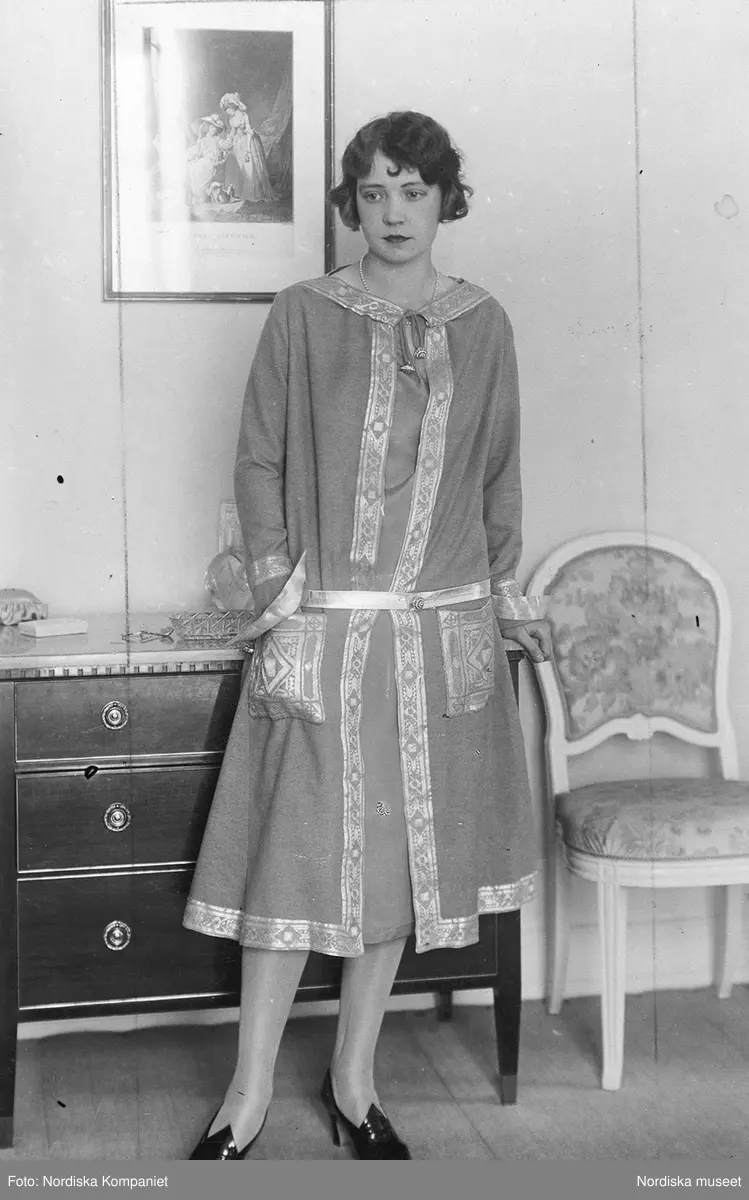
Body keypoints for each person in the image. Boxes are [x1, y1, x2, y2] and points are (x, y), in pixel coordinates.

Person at [183, 110, 551, 1161]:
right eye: (375, 191)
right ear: (351, 203)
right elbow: (258, 459)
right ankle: (246, 1095)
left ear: (445, 200)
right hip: (327, 633)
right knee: (292, 864)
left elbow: (497, 476)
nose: (393, 212)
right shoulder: (303, 315)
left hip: (435, 642)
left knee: (398, 870)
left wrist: (498, 599)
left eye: (413, 191)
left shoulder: (484, 325)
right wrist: (276, 592)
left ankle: (353, 1081)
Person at [218, 92, 277, 203]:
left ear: (233, 106)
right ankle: (237, 192)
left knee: (249, 166)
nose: (228, 112)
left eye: (228, 109)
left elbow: (249, 131)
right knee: (236, 164)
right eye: (226, 111)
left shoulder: (243, 115)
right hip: (238, 142)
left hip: (248, 141)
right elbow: (233, 131)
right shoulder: (231, 118)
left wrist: (248, 150)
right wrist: (228, 140)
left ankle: (251, 193)